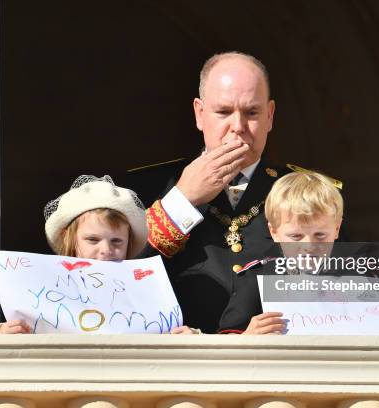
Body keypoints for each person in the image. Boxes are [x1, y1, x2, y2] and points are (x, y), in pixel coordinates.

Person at [127, 51, 343, 333]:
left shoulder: (311, 192)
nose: (238, 127)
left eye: (252, 113)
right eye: (224, 112)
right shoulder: (149, 187)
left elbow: (341, 286)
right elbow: (118, 276)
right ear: (200, 114)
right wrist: (183, 200)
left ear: (270, 116)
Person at [218, 171, 379, 336]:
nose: (309, 245)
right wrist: (246, 338)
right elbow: (224, 342)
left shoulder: (361, 276)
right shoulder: (255, 278)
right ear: (274, 231)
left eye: (320, 235)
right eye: (296, 236)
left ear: (336, 229)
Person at [0, 175, 194, 334]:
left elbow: (163, 332)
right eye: (92, 239)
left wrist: (184, 338)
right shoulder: (41, 289)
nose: (106, 250)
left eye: (116, 241)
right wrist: (5, 334)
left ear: (129, 243)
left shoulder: (151, 291)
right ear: (70, 240)